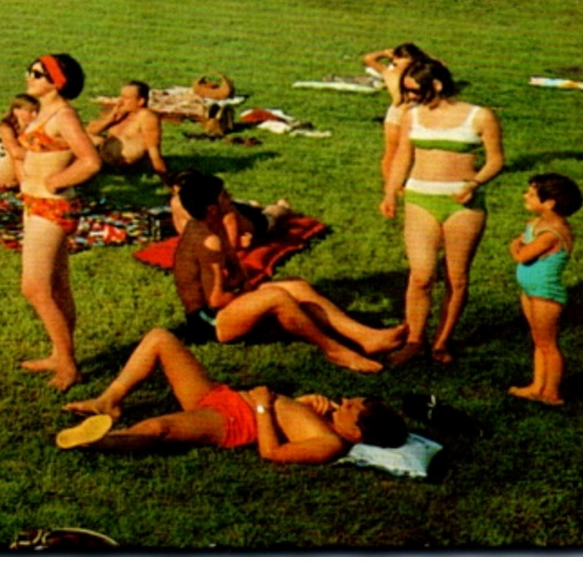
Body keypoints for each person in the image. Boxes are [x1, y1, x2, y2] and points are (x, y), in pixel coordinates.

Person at [168, 171, 403, 372]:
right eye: (224, 197)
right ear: (211, 209)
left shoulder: (213, 225)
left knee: (295, 286)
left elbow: (233, 265)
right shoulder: (207, 240)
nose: (229, 199)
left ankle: (365, 337)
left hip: (224, 303)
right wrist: (249, 296)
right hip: (209, 323)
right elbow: (216, 298)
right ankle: (334, 351)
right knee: (277, 297)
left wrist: (244, 283)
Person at [56, 329, 407, 462]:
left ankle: (100, 442)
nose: (343, 400)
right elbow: (287, 418)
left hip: (233, 421)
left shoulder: (328, 443)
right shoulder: (324, 418)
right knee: (161, 339)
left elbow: (273, 451)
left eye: (350, 407)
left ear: (356, 432)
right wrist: (301, 403)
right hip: (225, 399)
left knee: (160, 427)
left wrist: (260, 405)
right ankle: (109, 399)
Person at [381, 57, 504, 365]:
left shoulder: (479, 116)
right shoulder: (412, 116)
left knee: (456, 277)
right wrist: (390, 192)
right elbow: (402, 157)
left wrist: (474, 183)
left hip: (463, 203)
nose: (408, 97)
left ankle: (442, 342)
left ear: (435, 85)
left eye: (413, 90)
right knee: (421, 275)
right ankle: (414, 340)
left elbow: (496, 160)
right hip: (421, 197)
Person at [17, 54, 102, 391]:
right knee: (56, 284)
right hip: (35, 203)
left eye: (37, 74)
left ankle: (68, 364)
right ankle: (59, 353)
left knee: (34, 287)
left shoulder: (64, 115)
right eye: (30, 70)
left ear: (56, 82)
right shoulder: (45, 111)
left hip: (51, 206)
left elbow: (91, 161)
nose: (29, 76)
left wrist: (56, 181)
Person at [510, 173, 582, 406]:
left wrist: (514, 246)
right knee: (538, 340)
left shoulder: (552, 233)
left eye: (531, 194)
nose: (525, 196)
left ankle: (551, 392)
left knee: (547, 343)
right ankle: (536, 386)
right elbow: (524, 242)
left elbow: (522, 255)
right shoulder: (536, 224)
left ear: (550, 202)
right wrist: (521, 243)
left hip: (546, 294)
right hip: (531, 290)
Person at [362, 42, 432, 183]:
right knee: (392, 151)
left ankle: (407, 179)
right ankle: (392, 183)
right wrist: (384, 53)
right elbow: (368, 59)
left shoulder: (417, 76)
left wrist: (423, 56)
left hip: (416, 113)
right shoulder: (389, 73)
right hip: (398, 115)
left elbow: (441, 65)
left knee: (414, 151)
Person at [85, 81, 168, 176]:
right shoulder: (123, 112)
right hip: (102, 155)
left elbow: (154, 151)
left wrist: (164, 175)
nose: (120, 101)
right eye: (121, 97)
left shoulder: (147, 117)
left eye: (126, 98)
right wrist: (110, 119)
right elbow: (90, 131)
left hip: (122, 163)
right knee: (76, 138)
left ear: (140, 101)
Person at [0, 94, 38, 188]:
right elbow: (15, 152)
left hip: (27, 164)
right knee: (17, 155)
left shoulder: (35, 125)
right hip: (6, 169)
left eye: (36, 111)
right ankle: (27, 188)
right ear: (17, 111)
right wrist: (44, 156)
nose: (35, 115)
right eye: (31, 111)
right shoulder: (5, 127)